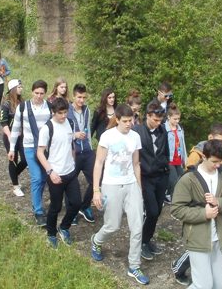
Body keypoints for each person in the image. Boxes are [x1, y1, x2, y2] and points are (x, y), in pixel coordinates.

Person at [90, 104, 149, 286]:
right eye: (125, 121)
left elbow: (136, 164)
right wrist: (96, 190)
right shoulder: (107, 136)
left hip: (131, 184)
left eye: (131, 120)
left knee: (137, 227)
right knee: (113, 225)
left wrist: (139, 189)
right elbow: (99, 163)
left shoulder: (135, 137)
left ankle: (134, 266)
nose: (129, 124)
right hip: (111, 185)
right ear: (117, 119)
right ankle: (96, 241)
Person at [171, 140, 222, 289]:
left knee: (219, 285)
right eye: (214, 161)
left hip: (220, 238)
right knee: (203, 285)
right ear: (204, 157)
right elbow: (176, 209)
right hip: (197, 238)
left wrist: (218, 202)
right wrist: (204, 213)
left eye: (220, 161)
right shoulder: (188, 179)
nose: (218, 165)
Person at [36, 97, 82, 248]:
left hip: (70, 172)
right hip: (55, 173)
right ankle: (51, 234)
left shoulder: (70, 123)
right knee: (55, 206)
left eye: (65, 112)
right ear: (52, 112)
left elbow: (69, 142)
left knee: (76, 203)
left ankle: (64, 228)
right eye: (60, 113)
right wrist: (50, 172)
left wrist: (73, 161)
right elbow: (40, 153)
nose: (63, 116)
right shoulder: (47, 128)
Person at [8, 80, 52, 226]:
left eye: (41, 93)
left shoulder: (49, 108)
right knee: (37, 178)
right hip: (28, 147)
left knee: (44, 178)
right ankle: (38, 210)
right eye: (36, 93)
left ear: (45, 93)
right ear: (32, 92)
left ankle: (36, 203)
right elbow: (15, 128)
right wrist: (12, 148)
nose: (39, 96)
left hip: (45, 149)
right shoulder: (23, 107)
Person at [133, 100, 169, 261]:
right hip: (145, 177)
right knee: (152, 211)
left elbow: (165, 152)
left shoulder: (163, 131)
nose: (157, 123)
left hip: (162, 175)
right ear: (147, 116)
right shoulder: (137, 132)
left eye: (160, 120)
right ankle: (141, 242)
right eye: (155, 119)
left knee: (157, 211)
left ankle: (147, 240)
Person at [67, 83, 95, 224]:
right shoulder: (66, 110)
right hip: (73, 152)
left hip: (87, 151)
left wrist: (90, 146)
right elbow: (62, 133)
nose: (81, 100)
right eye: (79, 97)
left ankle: (85, 206)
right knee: (71, 182)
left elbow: (88, 130)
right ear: (73, 96)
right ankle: (71, 212)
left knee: (96, 180)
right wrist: (74, 135)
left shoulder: (87, 110)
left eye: (84, 97)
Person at [1, 79, 27, 197]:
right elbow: (4, 122)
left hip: (22, 136)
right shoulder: (6, 104)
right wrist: (11, 137)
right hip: (10, 136)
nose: (21, 88)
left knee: (26, 159)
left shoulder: (23, 103)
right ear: (13, 89)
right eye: (19, 87)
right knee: (13, 159)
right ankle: (15, 185)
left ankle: (13, 176)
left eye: (21, 87)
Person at [165, 104, 187, 202]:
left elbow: (183, 145)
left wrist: (185, 159)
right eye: (175, 119)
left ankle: (174, 196)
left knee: (182, 179)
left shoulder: (180, 128)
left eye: (178, 119)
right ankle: (172, 198)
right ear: (168, 117)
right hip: (169, 159)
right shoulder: (164, 128)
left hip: (178, 158)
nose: (177, 121)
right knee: (173, 180)